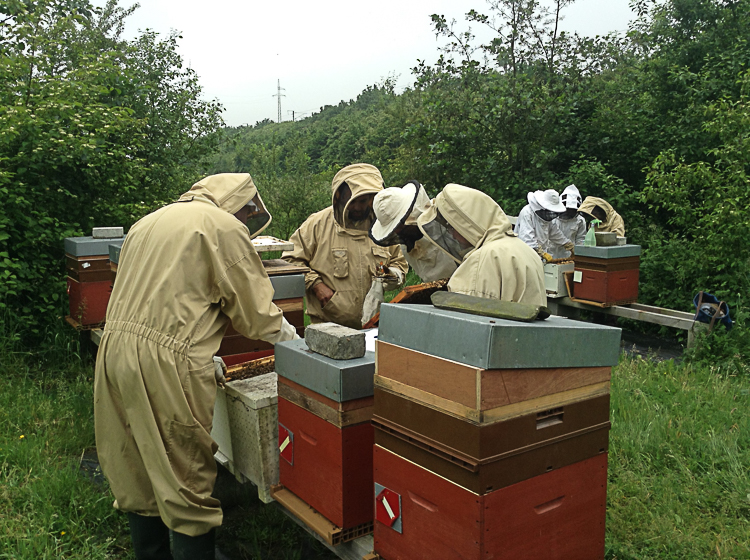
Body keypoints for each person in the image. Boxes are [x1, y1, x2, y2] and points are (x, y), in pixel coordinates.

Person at [94, 173, 299, 560]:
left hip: (113, 350)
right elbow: (257, 316)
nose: (247, 222)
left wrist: (200, 352)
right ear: (238, 205)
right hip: (165, 364)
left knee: (135, 468)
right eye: (247, 214)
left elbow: (160, 302)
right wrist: (300, 346)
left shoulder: (147, 222)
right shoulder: (221, 226)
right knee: (185, 474)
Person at [282, 163, 408, 329]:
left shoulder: (384, 226)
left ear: (373, 198)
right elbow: (290, 260)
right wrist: (316, 285)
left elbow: (399, 263)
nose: (357, 207)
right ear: (339, 198)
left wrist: (391, 275)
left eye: (362, 201)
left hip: (373, 326)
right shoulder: (317, 224)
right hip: (327, 327)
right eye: (351, 201)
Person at [417, 183, 546, 306]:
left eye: (452, 227)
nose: (453, 236)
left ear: (465, 225)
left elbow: (468, 316)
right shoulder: (524, 249)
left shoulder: (483, 259)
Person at [369, 181, 458, 282]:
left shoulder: (447, 217)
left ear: (411, 212)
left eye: (399, 225)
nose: (397, 231)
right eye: (394, 228)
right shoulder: (406, 246)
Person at [514, 189, 574, 262]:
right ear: (543, 208)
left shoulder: (547, 218)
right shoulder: (527, 213)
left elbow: (554, 232)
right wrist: (541, 252)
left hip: (539, 257)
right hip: (524, 255)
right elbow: (527, 238)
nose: (552, 215)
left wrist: (567, 243)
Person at [551, 184, 587, 260]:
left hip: (569, 256)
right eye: (567, 209)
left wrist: (578, 253)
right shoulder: (552, 218)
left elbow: (581, 238)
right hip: (551, 253)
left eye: (571, 210)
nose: (568, 212)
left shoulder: (580, 220)